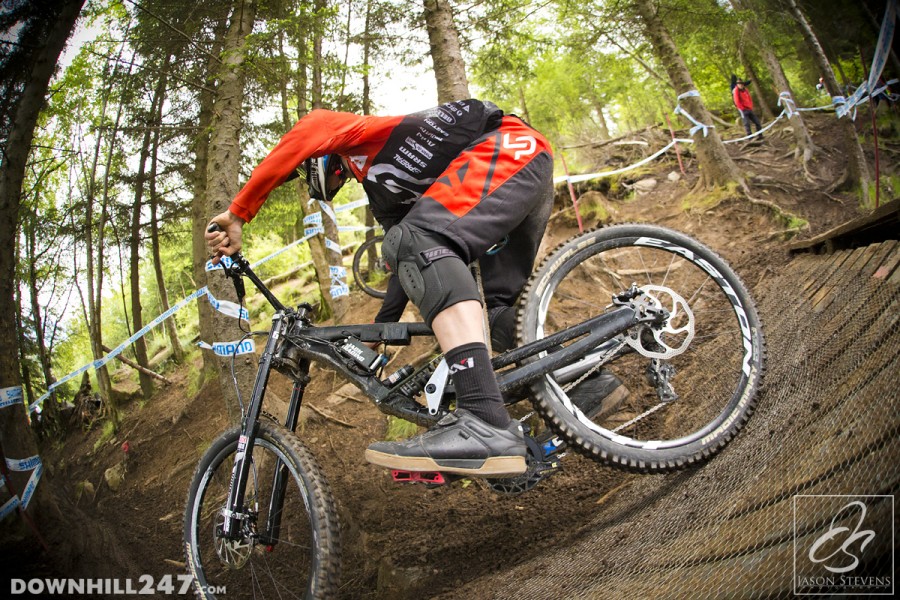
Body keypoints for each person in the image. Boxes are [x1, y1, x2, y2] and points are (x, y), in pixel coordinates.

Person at [206, 99, 625, 477]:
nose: (321, 184)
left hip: (508, 148)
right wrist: (378, 334)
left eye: (312, 175)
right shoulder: (383, 197)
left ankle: (482, 417)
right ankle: (584, 380)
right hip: (520, 172)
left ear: (325, 162)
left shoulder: (359, 135)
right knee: (493, 310)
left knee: (414, 241)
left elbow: (309, 129)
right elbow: (404, 263)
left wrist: (239, 211)